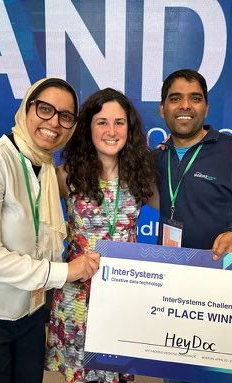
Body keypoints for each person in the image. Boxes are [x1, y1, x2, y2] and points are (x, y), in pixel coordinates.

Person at [0, 78, 100, 383]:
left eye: (65, 116)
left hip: (30, 315)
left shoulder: (47, 168)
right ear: (26, 108)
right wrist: (65, 272)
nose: (54, 122)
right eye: (45, 109)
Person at [154, 69, 232, 383]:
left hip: (222, 288)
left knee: (218, 373)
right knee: (175, 372)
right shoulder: (157, 158)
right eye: (175, 98)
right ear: (163, 109)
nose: (185, 106)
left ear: (205, 107)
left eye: (195, 98)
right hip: (172, 288)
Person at [45, 88, 158, 383]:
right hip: (78, 295)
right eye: (102, 122)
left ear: (129, 129)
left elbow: (180, 207)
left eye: (119, 122)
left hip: (123, 292)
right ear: (88, 128)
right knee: (80, 376)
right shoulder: (66, 175)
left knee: (118, 376)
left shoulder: (141, 175)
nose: (111, 130)